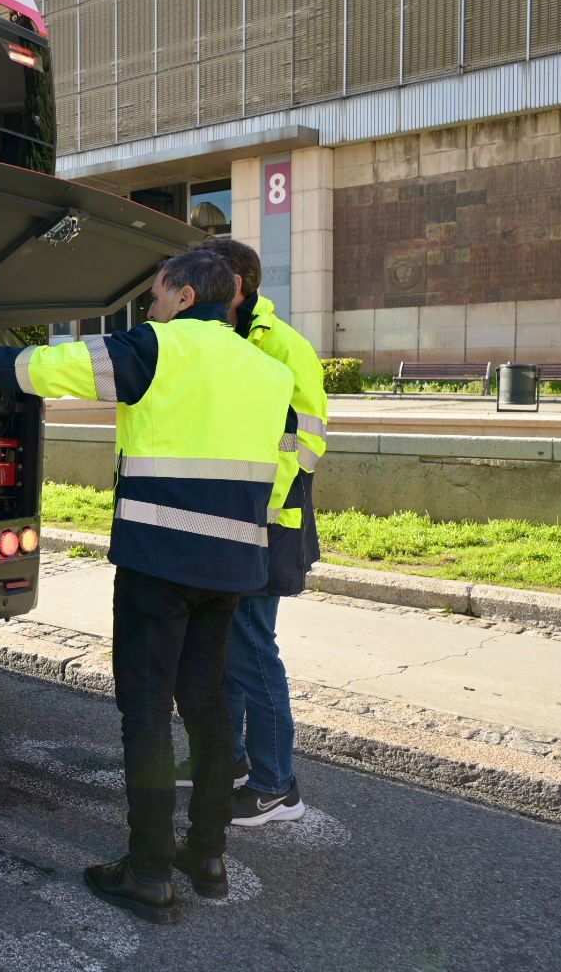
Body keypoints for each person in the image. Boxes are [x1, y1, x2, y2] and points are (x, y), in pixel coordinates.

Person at [0, 250, 296, 925]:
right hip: (232, 568)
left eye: (156, 296)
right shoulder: (267, 370)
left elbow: (66, 365)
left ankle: (149, 872)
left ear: (186, 295)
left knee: (147, 713)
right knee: (210, 709)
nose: (150, 309)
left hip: (158, 563)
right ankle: (208, 856)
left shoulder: (158, 346)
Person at [175, 236, 327, 826]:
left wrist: (254, 509)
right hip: (227, 520)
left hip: (265, 525)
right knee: (224, 652)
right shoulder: (220, 336)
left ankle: (276, 786)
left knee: (254, 653)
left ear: (234, 284)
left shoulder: (284, 346)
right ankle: (231, 760)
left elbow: (303, 443)